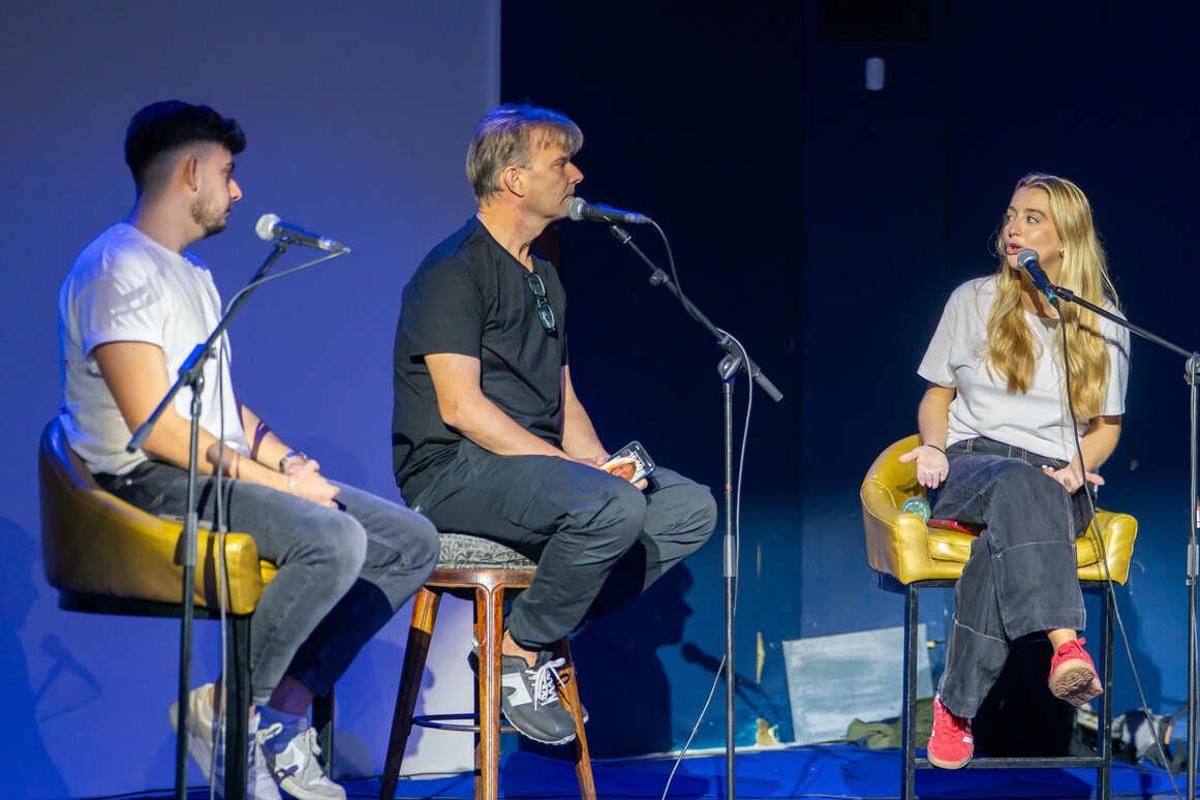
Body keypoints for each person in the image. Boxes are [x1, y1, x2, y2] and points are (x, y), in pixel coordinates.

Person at [57, 101, 439, 800]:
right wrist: (285, 489)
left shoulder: (194, 274)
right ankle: (230, 714)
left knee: (409, 541)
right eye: (228, 174)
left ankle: (279, 718)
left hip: (204, 465)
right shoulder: (114, 267)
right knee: (331, 539)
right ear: (191, 171)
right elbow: (158, 428)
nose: (237, 191)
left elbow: (225, 408)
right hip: (144, 479)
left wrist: (287, 462)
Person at [391, 103, 718, 745]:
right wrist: (580, 477)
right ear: (514, 179)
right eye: (560, 162)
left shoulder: (544, 276)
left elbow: (563, 395)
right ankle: (518, 654)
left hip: (531, 472)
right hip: (451, 473)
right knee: (609, 508)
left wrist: (598, 463)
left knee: (687, 507)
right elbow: (461, 408)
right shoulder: (453, 270)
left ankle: (524, 631)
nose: (577, 173)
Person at [901, 173, 1131, 769]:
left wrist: (1082, 470)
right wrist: (931, 447)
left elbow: (1105, 428)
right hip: (972, 463)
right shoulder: (971, 300)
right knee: (1016, 486)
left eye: (1032, 218)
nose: (1013, 227)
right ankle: (1064, 642)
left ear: (1066, 239)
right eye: (1011, 215)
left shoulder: (1099, 319)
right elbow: (936, 397)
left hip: (1057, 477)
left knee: (1005, 529)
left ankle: (955, 708)